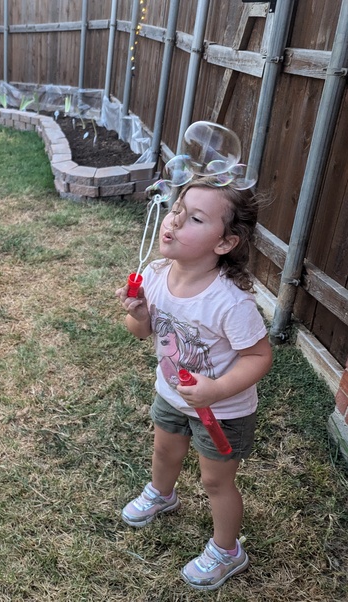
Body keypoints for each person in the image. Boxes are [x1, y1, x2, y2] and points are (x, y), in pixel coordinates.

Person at [115, 177, 272, 590]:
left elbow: (259, 357)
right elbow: (139, 331)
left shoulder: (230, 302)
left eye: (195, 218)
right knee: (164, 451)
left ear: (225, 243)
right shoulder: (154, 273)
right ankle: (162, 493)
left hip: (222, 410)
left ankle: (227, 550)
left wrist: (215, 390)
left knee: (215, 480)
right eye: (176, 210)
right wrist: (140, 311)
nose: (174, 222)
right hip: (172, 395)